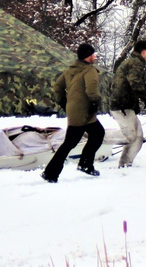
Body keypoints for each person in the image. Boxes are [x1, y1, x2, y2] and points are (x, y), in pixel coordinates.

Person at [42, 43, 105, 182]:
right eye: (93, 54)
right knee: (74, 141)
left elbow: (57, 87)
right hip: (85, 111)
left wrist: (65, 103)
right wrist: (95, 102)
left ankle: (84, 164)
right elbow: (91, 90)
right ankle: (53, 172)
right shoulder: (89, 70)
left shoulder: (71, 70)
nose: (94, 57)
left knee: (94, 134)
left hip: (74, 111)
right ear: (88, 56)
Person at [109, 40, 146, 168]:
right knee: (130, 136)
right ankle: (97, 136)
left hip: (126, 105)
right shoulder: (136, 63)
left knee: (138, 137)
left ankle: (125, 164)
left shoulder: (132, 62)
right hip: (121, 105)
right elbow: (134, 82)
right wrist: (145, 99)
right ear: (144, 52)